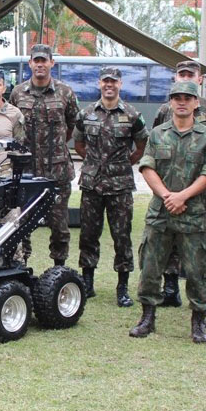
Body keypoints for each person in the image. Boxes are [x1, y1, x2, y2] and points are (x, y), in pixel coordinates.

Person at [130, 81, 206, 341]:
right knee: (150, 267)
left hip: (192, 212)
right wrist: (168, 196)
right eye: (177, 97)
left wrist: (183, 196)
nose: (181, 101)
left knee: (198, 269)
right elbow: (147, 167)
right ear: (170, 102)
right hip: (161, 211)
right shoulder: (157, 134)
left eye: (187, 98)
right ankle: (147, 318)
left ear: (196, 103)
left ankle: (198, 321)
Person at [72, 66, 147, 306]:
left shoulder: (133, 115)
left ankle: (122, 287)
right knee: (89, 235)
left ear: (120, 84)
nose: (109, 85)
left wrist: (122, 164)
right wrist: (95, 164)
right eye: (105, 81)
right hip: (92, 185)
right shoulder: (86, 114)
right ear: (99, 83)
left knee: (122, 236)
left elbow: (142, 145)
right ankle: (88, 283)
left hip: (120, 186)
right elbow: (79, 144)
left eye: (113, 81)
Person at [152, 60, 206, 308]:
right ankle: (169, 287)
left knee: (201, 246)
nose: (186, 78)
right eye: (182, 74)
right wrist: (168, 194)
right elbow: (155, 148)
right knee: (167, 242)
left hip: (203, 193)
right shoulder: (164, 111)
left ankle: (202, 296)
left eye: (191, 74)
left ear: (200, 79)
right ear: (175, 78)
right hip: (168, 191)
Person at [10, 44, 79, 267]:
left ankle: (59, 268)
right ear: (30, 63)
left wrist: (56, 147)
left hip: (56, 171)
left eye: (44, 61)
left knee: (59, 225)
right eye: (36, 60)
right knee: (22, 223)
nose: (40, 65)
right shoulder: (18, 93)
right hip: (26, 171)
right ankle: (22, 267)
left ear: (52, 63)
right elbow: (11, 124)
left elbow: (72, 127)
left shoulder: (65, 92)